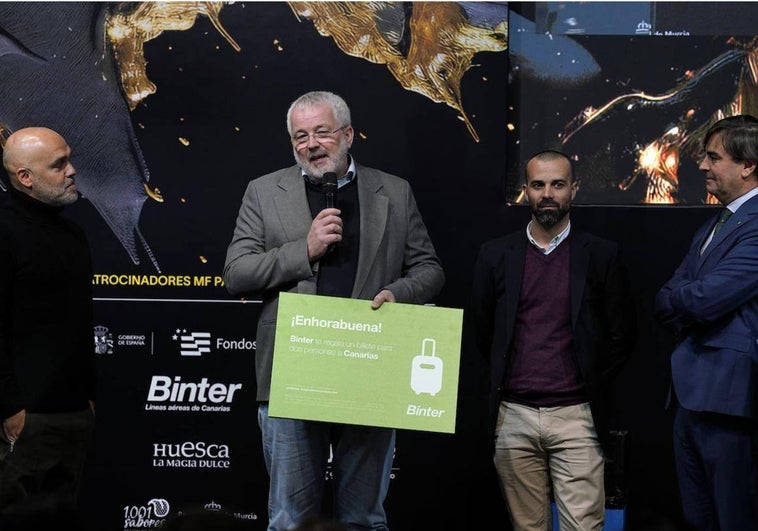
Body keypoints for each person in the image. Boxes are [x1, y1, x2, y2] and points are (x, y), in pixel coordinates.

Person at [223, 91, 444, 531]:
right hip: (292, 369)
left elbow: (430, 269)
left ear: (348, 134)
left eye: (322, 132)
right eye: (300, 136)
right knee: (289, 520)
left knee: (363, 518)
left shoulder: (394, 192)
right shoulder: (264, 192)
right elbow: (237, 273)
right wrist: (303, 249)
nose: (312, 144)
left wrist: (399, 293)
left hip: (370, 365)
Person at [467, 149, 635, 530]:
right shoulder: (495, 255)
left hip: (577, 416)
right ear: (524, 191)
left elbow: (622, 335)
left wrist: (586, 384)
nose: (547, 194)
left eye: (557, 184)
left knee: (583, 526)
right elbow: (482, 332)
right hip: (513, 416)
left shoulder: (602, 255)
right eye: (538, 185)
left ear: (573, 190)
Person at [654, 114, 758, 530]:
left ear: (748, 165)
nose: (701, 166)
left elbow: (705, 300)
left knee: (734, 519)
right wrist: (685, 296)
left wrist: (683, 296)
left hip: (730, 402)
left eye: (713, 157)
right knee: (699, 519)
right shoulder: (714, 224)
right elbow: (665, 298)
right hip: (691, 400)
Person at [0, 127, 96, 528]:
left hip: (74, 412)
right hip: (25, 418)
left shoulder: (73, 233)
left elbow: (78, 321)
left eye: (69, 159)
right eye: (59, 165)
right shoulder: (3, 232)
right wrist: (11, 409)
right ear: (25, 177)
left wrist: (87, 396)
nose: (72, 170)